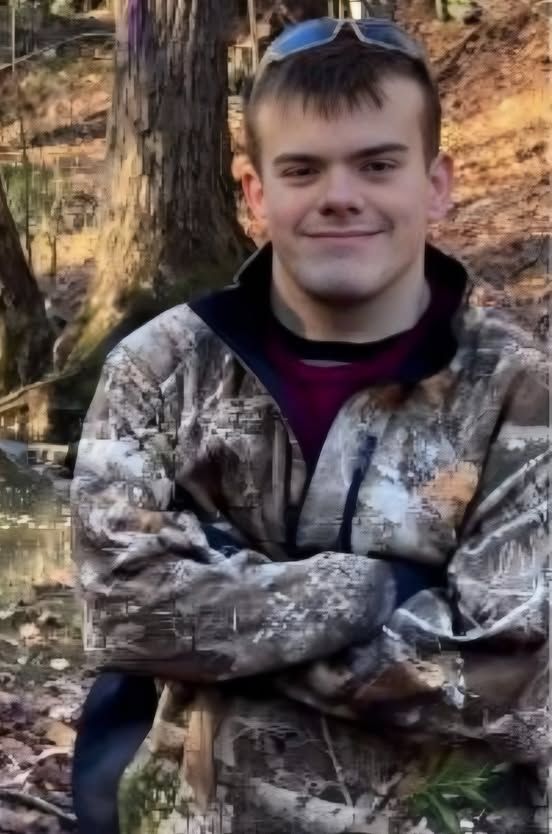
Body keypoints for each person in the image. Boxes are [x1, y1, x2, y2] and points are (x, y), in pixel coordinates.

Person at [70, 16, 549, 834]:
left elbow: (506, 679)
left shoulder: (522, 391)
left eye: (378, 164)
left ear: (436, 184)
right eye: (302, 169)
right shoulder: (162, 370)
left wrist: (221, 589)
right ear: (256, 192)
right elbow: (122, 611)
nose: (340, 195)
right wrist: (374, 589)